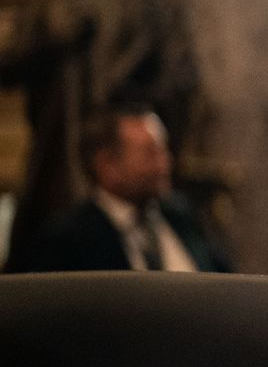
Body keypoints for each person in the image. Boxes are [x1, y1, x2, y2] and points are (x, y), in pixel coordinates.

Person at [0, 0, 198, 262]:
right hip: (61, 156)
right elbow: (9, 65)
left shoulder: (149, 0)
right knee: (54, 258)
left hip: (125, 149)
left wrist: (136, 105)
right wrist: (48, 44)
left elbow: (180, 73)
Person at [5, 105, 228, 274]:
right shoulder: (68, 240)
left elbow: (225, 281)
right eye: (150, 154)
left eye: (163, 151)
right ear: (107, 165)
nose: (165, 164)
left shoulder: (182, 216)